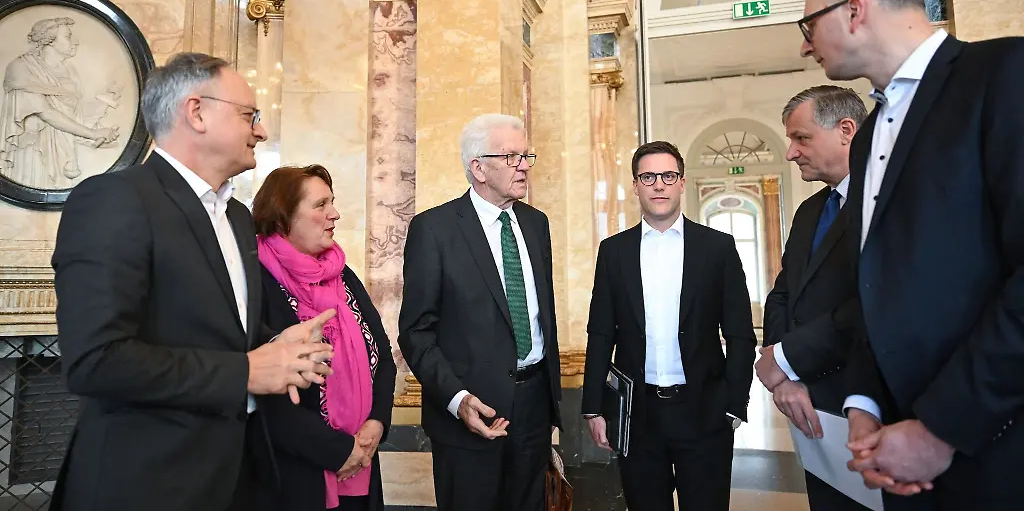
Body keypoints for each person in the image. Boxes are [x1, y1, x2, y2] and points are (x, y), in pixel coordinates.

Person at [51, 52, 335, 511]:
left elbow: (216, 328)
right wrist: (248, 371)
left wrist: (279, 345)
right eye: (249, 115)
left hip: (240, 476)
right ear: (196, 112)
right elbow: (95, 360)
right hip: (148, 483)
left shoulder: (238, 217)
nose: (261, 130)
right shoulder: (114, 200)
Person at [798, 0, 1024, 509]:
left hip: (997, 446)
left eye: (809, 24)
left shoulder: (1002, 75)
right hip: (896, 449)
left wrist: (942, 427)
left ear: (854, 10)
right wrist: (863, 402)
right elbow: (880, 285)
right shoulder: (872, 133)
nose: (804, 44)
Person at [397, 113, 562, 511]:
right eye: (511, 157)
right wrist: (457, 399)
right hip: (471, 413)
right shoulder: (434, 230)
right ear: (478, 168)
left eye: (526, 156)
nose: (523, 166)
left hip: (535, 407)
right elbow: (416, 332)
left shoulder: (536, 224)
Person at [581, 141, 756, 511]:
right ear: (636, 185)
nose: (658, 184)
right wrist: (594, 407)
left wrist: (735, 403)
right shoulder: (613, 252)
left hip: (704, 413)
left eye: (667, 175)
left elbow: (740, 333)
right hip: (638, 416)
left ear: (681, 183)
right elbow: (600, 334)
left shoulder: (718, 248)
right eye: (648, 176)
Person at [253, 164, 397, 511]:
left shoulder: (343, 274)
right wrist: (336, 450)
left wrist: (376, 421)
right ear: (283, 218)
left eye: (332, 203)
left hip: (360, 463)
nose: (334, 214)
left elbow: (384, 358)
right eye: (320, 205)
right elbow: (265, 394)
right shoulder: (257, 282)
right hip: (294, 476)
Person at [756, 85, 867, 510]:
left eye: (801, 138)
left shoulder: (888, 201)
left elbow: (870, 306)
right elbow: (783, 294)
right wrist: (787, 377)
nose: (790, 152)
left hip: (868, 401)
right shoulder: (809, 211)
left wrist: (787, 359)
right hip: (811, 409)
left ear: (845, 130)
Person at [0, 17, 119, 188]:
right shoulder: (21, 67)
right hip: (35, 153)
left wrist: (104, 102)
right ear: (49, 40)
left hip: (64, 153)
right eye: (68, 36)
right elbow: (47, 113)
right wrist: (93, 134)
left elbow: (75, 114)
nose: (75, 42)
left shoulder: (69, 72)